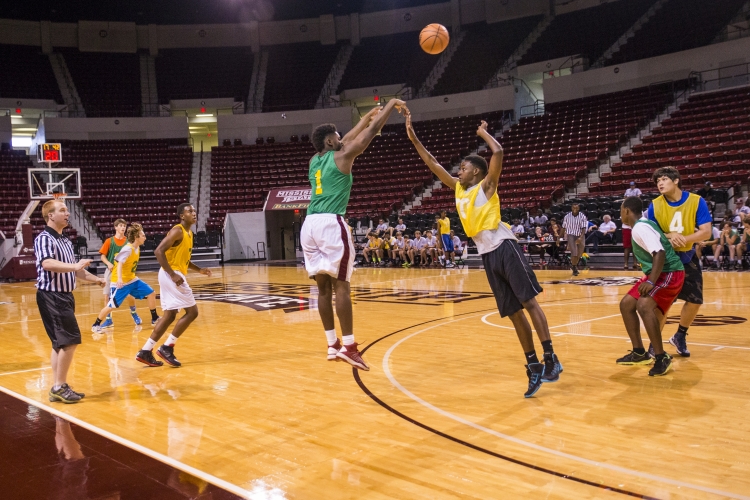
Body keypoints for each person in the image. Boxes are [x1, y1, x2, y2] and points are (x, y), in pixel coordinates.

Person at [407, 116, 562, 398]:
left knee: (528, 302)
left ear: (476, 173)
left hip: (504, 245)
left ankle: (551, 356)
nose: (459, 171)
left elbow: (498, 153)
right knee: (513, 313)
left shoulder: (486, 187)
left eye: (464, 168)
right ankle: (533, 364)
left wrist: (483, 134)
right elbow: (433, 163)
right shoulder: (458, 189)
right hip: (487, 254)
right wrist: (414, 138)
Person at [300, 99, 406, 371]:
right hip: (330, 224)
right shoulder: (343, 156)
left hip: (308, 224)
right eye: (336, 136)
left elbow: (346, 138)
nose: (341, 138)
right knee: (342, 286)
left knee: (323, 289)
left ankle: (332, 344)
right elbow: (366, 136)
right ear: (329, 142)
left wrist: (366, 117)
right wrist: (387, 108)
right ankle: (349, 347)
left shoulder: (316, 159)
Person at [35, 200, 106, 403]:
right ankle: (59, 386)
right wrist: (75, 266)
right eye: (62, 210)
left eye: (67, 210)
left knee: (59, 343)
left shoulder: (65, 240)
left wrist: (97, 279)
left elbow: (78, 270)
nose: (67, 213)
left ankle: (58, 385)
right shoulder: (44, 238)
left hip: (65, 295)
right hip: (52, 295)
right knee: (70, 340)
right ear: (50, 215)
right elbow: (47, 263)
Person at [135, 203, 212, 368]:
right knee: (192, 312)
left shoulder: (189, 233)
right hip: (171, 274)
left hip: (171, 274)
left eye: (194, 210)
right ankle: (166, 347)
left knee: (169, 316)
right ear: (182, 216)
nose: (194, 212)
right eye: (189, 211)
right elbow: (158, 251)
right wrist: (172, 274)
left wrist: (199, 270)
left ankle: (145, 351)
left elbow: (184, 260)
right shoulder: (178, 230)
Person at [647, 166, 712, 357]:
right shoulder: (655, 205)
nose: (660, 183)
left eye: (664, 179)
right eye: (657, 181)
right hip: (666, 260)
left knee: (695, 300)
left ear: (676, 181)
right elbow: (651, 233)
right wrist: (669, 235)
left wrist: (683, 238)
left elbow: (706, 232)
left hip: (687, 256)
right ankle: (655, 344)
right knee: (662, 305)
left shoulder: (696, 201)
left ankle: (680, 335)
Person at [616, 197, 684, 376]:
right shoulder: (643, 224)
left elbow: (659, 253)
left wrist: (651, 281)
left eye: (621, 210)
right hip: (659, 271)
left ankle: (661, 357)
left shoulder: (640, 227)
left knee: (644, 305)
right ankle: (639, 353)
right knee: (626, 304)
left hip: (670, 272)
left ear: (626, 211)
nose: (620, 214)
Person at [92, 223, 160, 333]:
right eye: (143, 235)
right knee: (111, 306)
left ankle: (155, 318)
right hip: (121, 282)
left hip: (132, 280)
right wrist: (119, 279)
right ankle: (96, 324)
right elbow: (119, 263)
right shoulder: (128, 249)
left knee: (151, 293)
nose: (145, 237)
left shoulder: (136, 248)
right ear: (137, 237)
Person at [97, 219, 138, 328]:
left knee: (130, 295)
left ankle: (133, 313)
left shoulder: (128, 241)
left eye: (124, 226)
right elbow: (102, 256)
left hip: (125, 273)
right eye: (120, 225)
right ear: (115, 227)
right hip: (111, 271)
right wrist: (108, 263)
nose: (123, 228)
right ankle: (108, 319)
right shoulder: (109, 241)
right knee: (107, 296)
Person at [561, 203, 587, 276]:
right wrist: (558, 237)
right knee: (574, 252)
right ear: (571, 208)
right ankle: (575, 268)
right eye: (573, 207)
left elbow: (584, 228)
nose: (575, 209)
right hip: (571, 235)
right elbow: (563, 227)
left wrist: (581, 237)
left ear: (579, 208)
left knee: (579, 254)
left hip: (580, 235)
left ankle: (574, 265)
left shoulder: (582, 216)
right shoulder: (567, 216)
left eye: (576, 207)